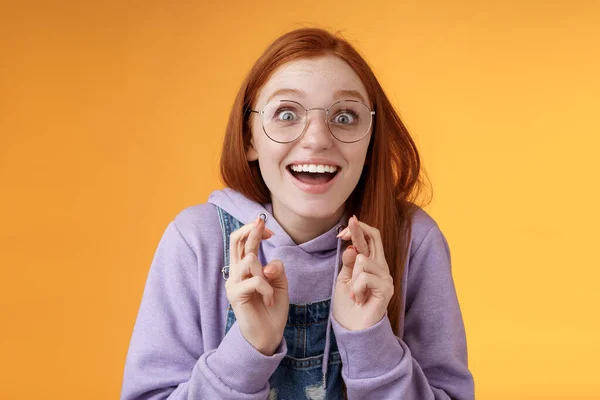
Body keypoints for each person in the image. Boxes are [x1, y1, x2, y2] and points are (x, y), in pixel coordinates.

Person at [121, 28, 475, 400]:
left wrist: (372, 345)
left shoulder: (411, 242)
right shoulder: (196, 241)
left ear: (371, 141)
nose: (317, 138)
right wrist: (247, 350)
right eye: (287, 113)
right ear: (249, 138)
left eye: (345, 117)